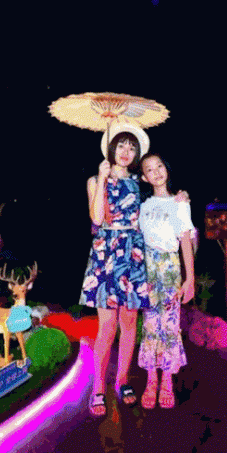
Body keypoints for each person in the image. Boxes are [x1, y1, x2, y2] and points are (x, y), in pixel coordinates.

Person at [80, 123, 187, 416]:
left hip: (135, 254)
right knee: (106, 327)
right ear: (111, 148)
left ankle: (123, 380)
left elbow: (159, 202)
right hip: (106, 253)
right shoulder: (95, 179)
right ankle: (98, 387)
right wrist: (103, 178)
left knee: (129, 323)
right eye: (121, 145)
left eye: (131, 147)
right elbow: (97, 218)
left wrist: (180, 198)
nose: (126, 152)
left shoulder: (139, 184)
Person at [136, 153, 195, 409]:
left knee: (170, 324)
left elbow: (185, 242)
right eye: (150, 169)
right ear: (144, 177)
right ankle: (151, 381)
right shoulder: (143, 206)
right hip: (148, 268)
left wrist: (189, 279)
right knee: (151, 324)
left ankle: (167, 381)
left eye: (159, 166)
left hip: (170, 267)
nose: (156, 171)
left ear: (166, 169)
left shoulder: (179, 202)